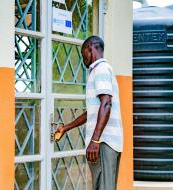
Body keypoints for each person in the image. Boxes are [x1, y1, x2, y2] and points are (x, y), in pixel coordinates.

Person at [55, 36, 123, 190]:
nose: (82, 58)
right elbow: (94, 111)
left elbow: (106, 104)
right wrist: (66, 127)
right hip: (107, 142)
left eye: (82, 53)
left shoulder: (101, 70)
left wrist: (95, 141)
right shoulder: (102, 70)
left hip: (104, 143)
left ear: (90, 48)